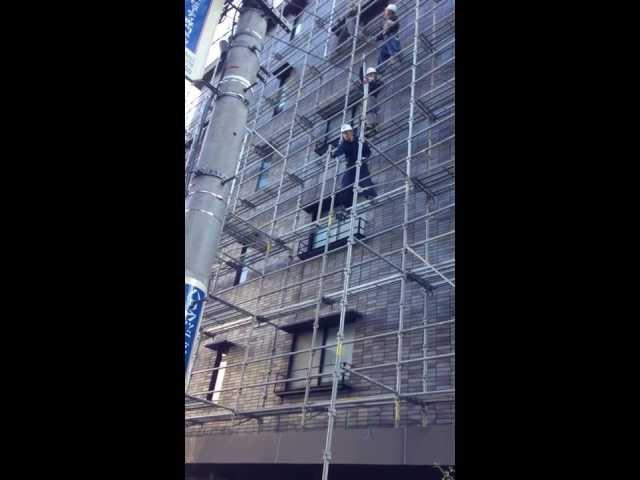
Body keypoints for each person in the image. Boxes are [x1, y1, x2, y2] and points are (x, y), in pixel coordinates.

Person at [331, 124, 377, 202]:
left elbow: (367, 151)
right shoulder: (344, 145)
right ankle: (347, 206)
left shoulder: (360, 140)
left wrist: (364, 158)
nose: (345, 135)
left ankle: (370, 196)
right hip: (351, 166)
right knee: (345, 185)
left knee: (365, 180)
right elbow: (337, 152)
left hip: (361, 164)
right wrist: (333, 154)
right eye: (344, 133)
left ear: (351, 132)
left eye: (346, 133)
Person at [376, 4, 400, 73]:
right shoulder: (387, 19)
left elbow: (386, 31)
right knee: (382, 54)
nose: (384, 11)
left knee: (390, 51)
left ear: (390, 12)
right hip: (387, 41)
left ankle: (395, 58)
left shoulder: (393, 19)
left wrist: (378, 37)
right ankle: (379, 69)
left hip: (391, 41)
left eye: (386, 10)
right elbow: (383, 32)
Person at [364, 67, 384, 136]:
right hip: (372, 100)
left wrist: (371, 82)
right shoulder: (367, 84)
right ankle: (371, 126)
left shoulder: (376, 82)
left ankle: (371, 125)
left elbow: (377, 85)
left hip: (373, 98)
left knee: (369, 110)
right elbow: (361, 77)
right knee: (368, 111)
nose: (370, 77)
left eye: (372, 75)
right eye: (369, 75)